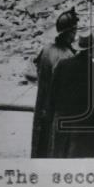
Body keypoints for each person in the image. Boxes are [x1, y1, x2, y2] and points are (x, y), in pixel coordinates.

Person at [48, 30, 94, 158]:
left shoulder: (62, 65)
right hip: (85, 127)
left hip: (61, 123)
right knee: (80, 167)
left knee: (59, 161)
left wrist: (52, 119)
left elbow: (52, 95)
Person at [30, 9, 78, 158]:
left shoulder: (45, 50)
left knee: (41, 138)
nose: (75, 34)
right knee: (54, 144)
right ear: (69, 33)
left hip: (42, 102)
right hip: (57, 107)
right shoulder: (67, 56)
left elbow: (35, 70)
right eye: (74, 30)